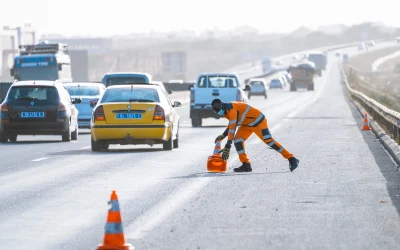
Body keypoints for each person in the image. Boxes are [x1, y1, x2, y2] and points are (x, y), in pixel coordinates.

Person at [212, 98, 299, 172]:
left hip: (258, 122)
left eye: (218, 110)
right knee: (238, 141)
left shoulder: (232, 109)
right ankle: (246, 164)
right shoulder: (226, 112)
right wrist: (223, 135)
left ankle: (291, 158)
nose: (219, 112)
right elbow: (232, 124)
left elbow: (232, 128)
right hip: (246, 124)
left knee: (269, 141)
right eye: (217, 111)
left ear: (222, 105)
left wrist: (228, 145)